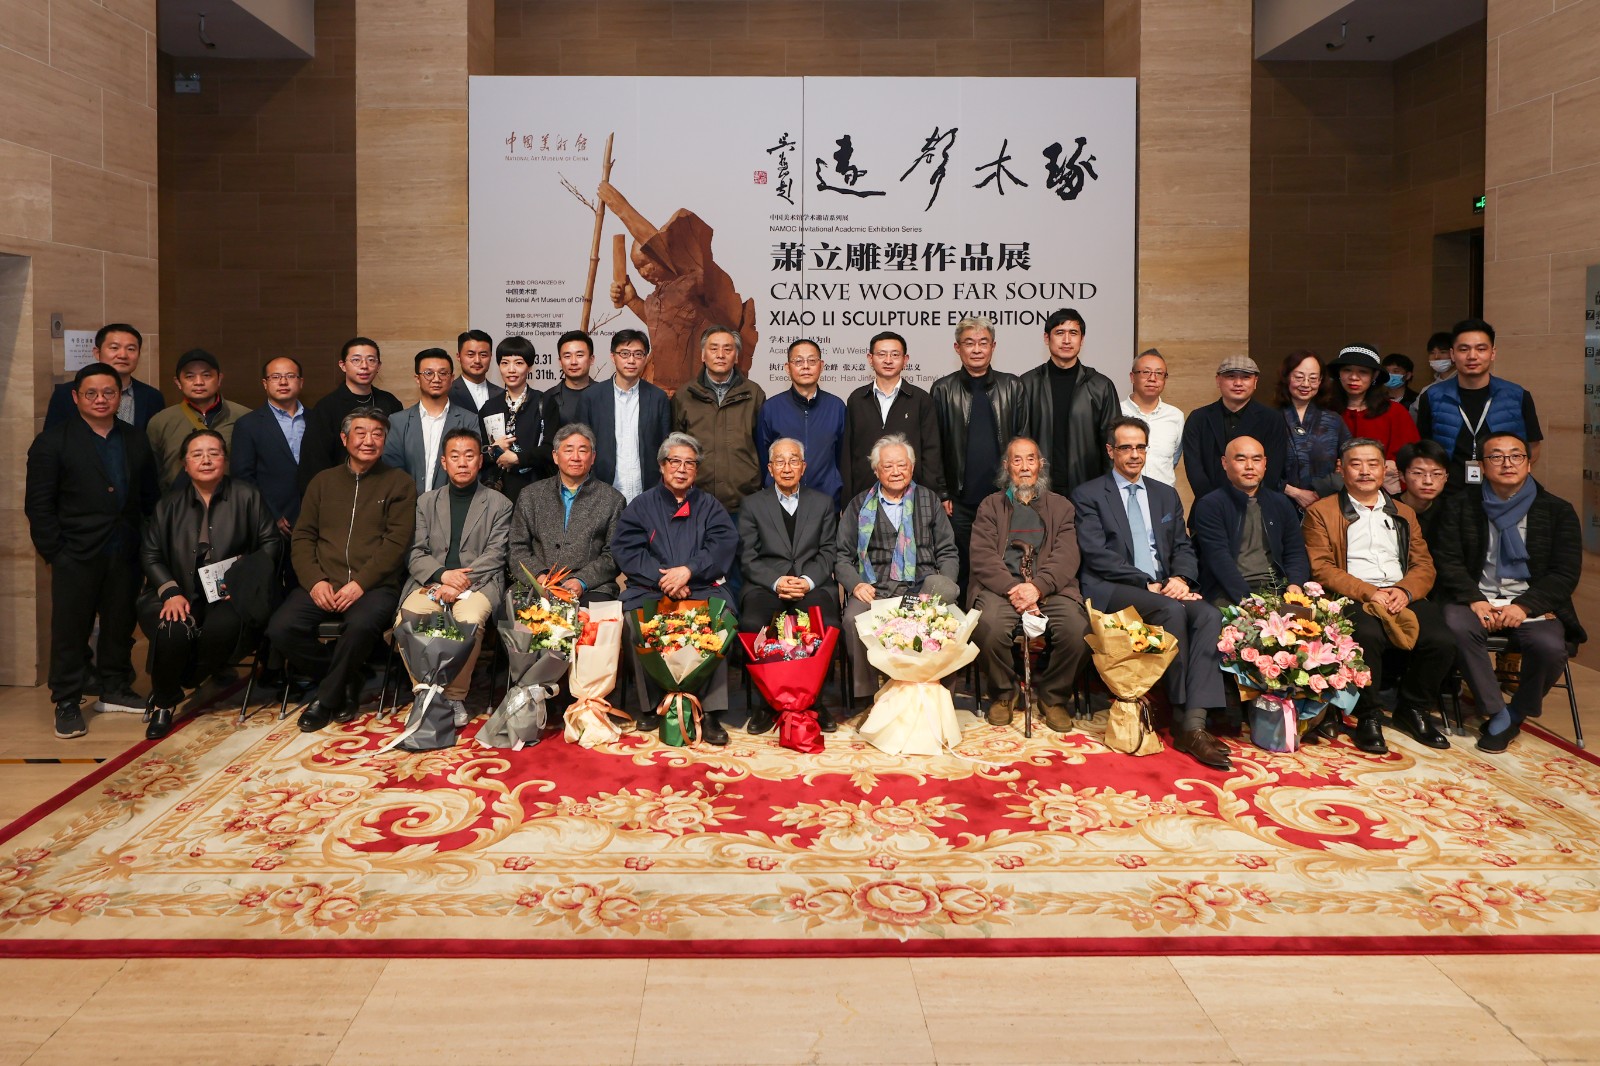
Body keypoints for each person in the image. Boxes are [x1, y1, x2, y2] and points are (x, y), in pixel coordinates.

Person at [1074, 417, 1232, 771]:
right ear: (1110, 451)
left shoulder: (1165, 494)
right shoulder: (1088, 494)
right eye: (1126, 447)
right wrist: (1148, 582)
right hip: (1113, 588)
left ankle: (1194, 719)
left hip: (1163, 587)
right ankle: (1180, 712)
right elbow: (1097, 553)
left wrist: (1181, 579)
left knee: (1209, 615)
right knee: (1171, 612)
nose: (1134, 455)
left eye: (1140, 447)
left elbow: (1182, 546)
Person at [26, 362, 160, 738]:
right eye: (92, 393)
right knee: (71, 628)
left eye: (109, 393)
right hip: (75, 553)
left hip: (126, 550)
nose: (101, 399)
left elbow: (149, 497)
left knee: (120, 623)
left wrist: (150, 544)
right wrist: (56, 551)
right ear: (76, 397)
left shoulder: (134, 438)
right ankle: (67, 700)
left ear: (119, 397)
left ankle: (114, 687)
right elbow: (39, 505)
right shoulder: (53, 441)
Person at [1432, 432, 1585, 753]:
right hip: (1474, 599)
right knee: (1455, 626)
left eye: (1516, 456)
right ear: (1483, 467)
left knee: (1550, 647)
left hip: (1530, 604)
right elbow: (1448, 560)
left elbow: (1565, 572)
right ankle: (1497, 711)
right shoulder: (1460, 505)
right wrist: (1474, 598)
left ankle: (1515, 713)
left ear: (1529, 463)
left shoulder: (1557, 511)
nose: (1507, 463)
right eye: (1496, 457)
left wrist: (1525, 606)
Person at [1301, 438, 1454, 754]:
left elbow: (1423, 564)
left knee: (1442, 639)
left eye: (1373, 464)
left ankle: (1413, 709)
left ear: (1386, 469)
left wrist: (1404, 591)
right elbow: (1322, 568)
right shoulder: (1321, 512)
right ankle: (1368, 715)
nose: (1365, 471)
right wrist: (1370, 592)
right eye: (1356, 464)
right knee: (1366, 636)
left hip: (1401, 594)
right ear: (1341, 469)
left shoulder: (1403, 512)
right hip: (1353, 595)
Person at [267, 409, 416, 732]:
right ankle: (347, 677)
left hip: (374, 586)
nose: (369, 440)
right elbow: (304, 536)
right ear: (344, 438)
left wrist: (360, 584)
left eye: (377, 434)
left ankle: (327, 699)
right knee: (280, 628)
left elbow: (396, 543)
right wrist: (315, 581)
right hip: (323, 581)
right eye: (360, 433)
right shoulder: (323, 482)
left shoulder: (399, 483)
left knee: (361, 625)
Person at [137, 429, 281, 739]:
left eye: (214, 453)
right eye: (197, 454)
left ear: (225, 460)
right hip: (176, 591)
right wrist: (170, 592)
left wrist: (242, 579)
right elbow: (150, 553)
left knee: (222, 629)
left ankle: (177, 680)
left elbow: (270, 542)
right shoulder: (169, 504)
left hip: (228, 595)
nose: (206, 460)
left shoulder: (247, 495)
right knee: (172, 627)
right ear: (184, 463)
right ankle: (164, 704)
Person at [612, 433, 740, 744]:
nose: (681, 469)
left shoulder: (710, 506)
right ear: (661, 466)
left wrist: (689, 572)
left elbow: (723, 545)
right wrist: (664, 579)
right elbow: (627, 549)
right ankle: (651, 706)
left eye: (689, 464)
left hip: (700, 586)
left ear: (697, 470)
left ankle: (711, 713)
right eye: (675, 462)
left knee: (722, 622)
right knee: (633, 621)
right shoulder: (641, 505)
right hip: (651, 588)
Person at [968, 437, 1090, 732]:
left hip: (1051, 589)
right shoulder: (990, 505)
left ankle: (1053, 697)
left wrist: (1037, 587)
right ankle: (1004, 693)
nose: (1024, 467)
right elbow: (982, 556)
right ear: (1006, 466)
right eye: (1017, 460)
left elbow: (1067, 555)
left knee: (1079, 630)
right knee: (988, 626)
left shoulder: (1061, 506)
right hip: (1002, 589)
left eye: (1031, 460)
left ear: (1041, 465)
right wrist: (1016, 590)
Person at [398, 427, 513, 726]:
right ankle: (427, 691)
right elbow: (415, 551)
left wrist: (461, 581)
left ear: (479, 461)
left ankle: (454, 697)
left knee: (468, 621)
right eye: (455, 456)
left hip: (479, 584)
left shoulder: (500, 504)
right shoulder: (425, 502)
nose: (462, 463)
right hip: (431, 582)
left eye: (470, 456)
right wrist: (442, 575)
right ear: (443, 462)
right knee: (407, 619)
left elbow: (496, 554)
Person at [600, 178, 758, 393]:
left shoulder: (690, 281)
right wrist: (632, 301)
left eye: (647, 263)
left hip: (698, 388)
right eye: (638, 268)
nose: (644, 272)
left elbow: (657, 246)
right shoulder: (659, 296)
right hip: (661, 388)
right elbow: (665, 325)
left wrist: (621, 208)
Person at [835, 434, 961, 703]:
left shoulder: (929, 501)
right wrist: (856, 584)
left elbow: (948, 551)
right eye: (888, 466)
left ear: (912, 468)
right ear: (876, 470)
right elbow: (842, 556)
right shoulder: (858, 506)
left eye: (901, 465)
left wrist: (942, 589)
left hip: (921, 586)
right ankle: (867, 698)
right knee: (851, 620)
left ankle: (937, 697)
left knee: (949, 618)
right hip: (874, 588)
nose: (895, 472)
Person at [737, 438, 842, 735]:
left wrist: (807, 582)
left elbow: (829, 551)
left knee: (828, 624)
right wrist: (776, 581)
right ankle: (765, 704)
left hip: (811, 585)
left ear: (804, 466)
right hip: (766, 586)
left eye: (794, 460)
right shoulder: (752, 504)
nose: (787, 467)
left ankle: (815, 702)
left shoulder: (822, 503)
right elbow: (747, 556)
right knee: (751, 623)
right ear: (770, 469)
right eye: (780, 461)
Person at [931, 316, 1026, 592]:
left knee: (1004, 563)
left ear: (993, 347)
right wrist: (943, 492)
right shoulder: (942, 389)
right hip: (959, 500)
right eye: (969, 343)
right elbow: (934, 446)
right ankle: (960, 627)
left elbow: (1023, 439)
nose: (976, 349)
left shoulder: (1012, 386)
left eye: (983, 342)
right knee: (961, 564)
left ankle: (997, 626)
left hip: (1004, 497)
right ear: (957, 348)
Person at [1414, 318, 1544, 489]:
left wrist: (1510, 477)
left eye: (1481, 349)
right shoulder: (1432, 396)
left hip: (1502, 493)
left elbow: (1533, 446)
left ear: (1493, 353)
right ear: (1453, 354)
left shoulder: (1517, 395)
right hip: (1449, 493)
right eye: (1464, 349)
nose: (1472, 356)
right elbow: (1424, 444)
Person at [508, 423, 625, 601]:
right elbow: (516, 548)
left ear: (593, 457)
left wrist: (580, 581)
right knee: (509, 614)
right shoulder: (530, 495)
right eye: (568, 450)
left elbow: (613, 555)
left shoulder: (613, 500)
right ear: (555, 456)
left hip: (591, 587)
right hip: (537, 582)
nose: (575, 457)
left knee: (592, 617)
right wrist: (539, 577)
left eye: (583, 451)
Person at [1191, 436, 1311, 606]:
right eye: (1241, 459)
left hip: (1277, 587)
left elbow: (1295, 550)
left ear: (1265, 463)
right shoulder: (1211, 505)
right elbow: (1219, 559)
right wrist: (1247, 600)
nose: (1249, 466)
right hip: (1228, 591)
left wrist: (1295, 583)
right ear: (1225, 463)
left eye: (1256, 459)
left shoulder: (1280, 502)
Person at [1017, 307, 1119, 497]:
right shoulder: (1027, 383)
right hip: (1038, 490)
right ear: (1046, 338)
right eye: (1059, 333)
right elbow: (1020, 441)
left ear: (1082, 339)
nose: (1066, 340)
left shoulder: (1101, 386)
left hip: (1088, 489)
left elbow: (1112, 444)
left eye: (1073, 333)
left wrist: (1110, 490)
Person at [671, 325, 766, 517]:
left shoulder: (754, 394)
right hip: (695, 502)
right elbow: (674, 449)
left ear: (737, 357)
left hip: (745, 504)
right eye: (714, 349)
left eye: (728, 349)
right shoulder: (684, 395)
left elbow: (763, 448)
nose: (720, 355)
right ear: (703, 355)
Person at [842, 331, 946, 503]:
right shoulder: (857, 399)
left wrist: (932, 497)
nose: (888, 360)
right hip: (864, 496)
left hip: (911, 497)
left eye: (895, 355)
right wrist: (847, 500)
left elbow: (931, 452)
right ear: (870, 358)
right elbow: (848, 454)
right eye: (881, 354)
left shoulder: (920, 399)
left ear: (905, 360)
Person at [575, 329, 672, 502]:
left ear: (646, 358)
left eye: (638, 354)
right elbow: (582, 446)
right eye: (624, 354)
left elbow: (667, 447)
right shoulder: (591, 397)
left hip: (648, 493)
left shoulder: (658, 398)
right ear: (613, 357)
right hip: (602, 493)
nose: (631, 360)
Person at [297, 337, 403, 491]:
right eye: (356, 360)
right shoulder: (327, 407)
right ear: (343, 365)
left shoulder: (390, 403)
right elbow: (314, 461)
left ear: (378, 365)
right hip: (340, 490)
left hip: (384, 488)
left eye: (371, 360)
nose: (364, 366)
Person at [1181, 355, 1290, 501]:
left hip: (1257, 507)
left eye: (1246, 377)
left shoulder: (1272, 419)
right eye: (1231, 376)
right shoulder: (1198, 418)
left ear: (1255, 382)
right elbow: (1194, 469)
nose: (1238, 383)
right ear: (1218, 380)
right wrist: (1214, 503)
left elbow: (1272, 470)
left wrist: (1250, 502)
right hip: (1208, 507)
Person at [755, 338, 847, 506]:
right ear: (787, 368)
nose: (806, 366)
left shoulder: (837, 407)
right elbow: (763, 459)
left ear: (821, 365)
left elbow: (842, 457)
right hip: (780, 503)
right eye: (798, 361)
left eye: (812, 360)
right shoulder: (771, 408)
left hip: (826, 504)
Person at [145, 349, 251, 490]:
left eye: (206, 375)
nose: (199, 382)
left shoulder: (244, 417)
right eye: (190, 376)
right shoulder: (161, 421)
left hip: (232, 506)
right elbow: (151, 474)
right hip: (176, 506)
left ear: (219, 379)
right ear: (178, 382)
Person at [383, 348, 480, 493]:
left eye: (443, 373)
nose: (436, 379)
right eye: (428, 373)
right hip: (407, 506)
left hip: (451, 507)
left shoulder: (469, 420)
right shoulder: (398, 421)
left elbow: (472, 469)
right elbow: (392, 470)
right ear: (417, 379)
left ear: (452, 378)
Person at [232, 356, 309, 536]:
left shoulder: (316, 420)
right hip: (271, 520)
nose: (283, 382)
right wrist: (269, 514)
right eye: (275, 377)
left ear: (301, 382)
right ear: (265, 383)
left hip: (313, 518)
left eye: (290, 376)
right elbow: (242, 477)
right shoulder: (248, 424)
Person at [1326, 345, 1419, 489]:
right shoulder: (1325, 411)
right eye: (1347, 370)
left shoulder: (1394, 412)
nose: (1354, 378)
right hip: (1332, 491)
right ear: (1339, 373)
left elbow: (1411, 457)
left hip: (1383, 493)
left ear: (1374, 376)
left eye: (1363, 372)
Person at [43, 323, 165, 431]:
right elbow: (50, 442)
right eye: (114, 348)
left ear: (138, 355)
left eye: (131, 349)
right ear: (97, 353)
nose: (123, 355)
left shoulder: (152, 397)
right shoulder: (66, 394)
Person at [477, 335, 550, 501]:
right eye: (505, 363)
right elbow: (478, 454)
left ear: (529, 366)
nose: (511, 369)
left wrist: (518, 458)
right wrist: (493, 450)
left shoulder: (544, 402)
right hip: (497, 493)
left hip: (536, 491)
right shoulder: (489, 407)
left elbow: (551, 448)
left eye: (519, 363)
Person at [1277, 349, 1349, 511]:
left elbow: (1351, 461)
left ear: (1321, 381)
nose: (1306, 384)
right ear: (1287, 377)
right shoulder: (1270, 419)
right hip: (1280, 506)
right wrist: (1295, 492)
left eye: (1313, 378)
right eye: (1299, 377)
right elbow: (1260, 467)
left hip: (1327, 505)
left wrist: (1320, 492)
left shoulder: (1334, 420)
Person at [1120, 348, 1185, 488]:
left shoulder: (1176, 416)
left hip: (1163, 500)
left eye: (1159, 373)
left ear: (1165, 379)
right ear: (1132, 377)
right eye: (1146, 372)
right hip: (1121, 497)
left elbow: (1173, 459)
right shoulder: (1116, 412)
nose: (1152, 379)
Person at [1396, 439, 1452, 547]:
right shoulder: (1388, 509)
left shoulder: (1450, 512)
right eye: (1418, 473)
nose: (1428, 481)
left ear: (1446, 478)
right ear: (1402, 475)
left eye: (1436, 474)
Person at [542, 329, 595, 430]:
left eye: (579, 355)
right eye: (567, 356)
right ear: (560, 361)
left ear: (591, 359)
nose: (573, 362)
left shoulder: (605, 394)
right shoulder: (548, 398)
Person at [448, 329, 503, 415]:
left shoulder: (502, 394)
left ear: (491, 357)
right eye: (470, 355)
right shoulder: (447, 392)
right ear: (458, 357)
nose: (477, 360)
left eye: (483, 355)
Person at [1412, 330, 1457, 411]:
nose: (1436, 357)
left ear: (1454, 353)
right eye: (1432, 353)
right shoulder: (1427, 390)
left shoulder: (1465, 383)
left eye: (1443, 352)